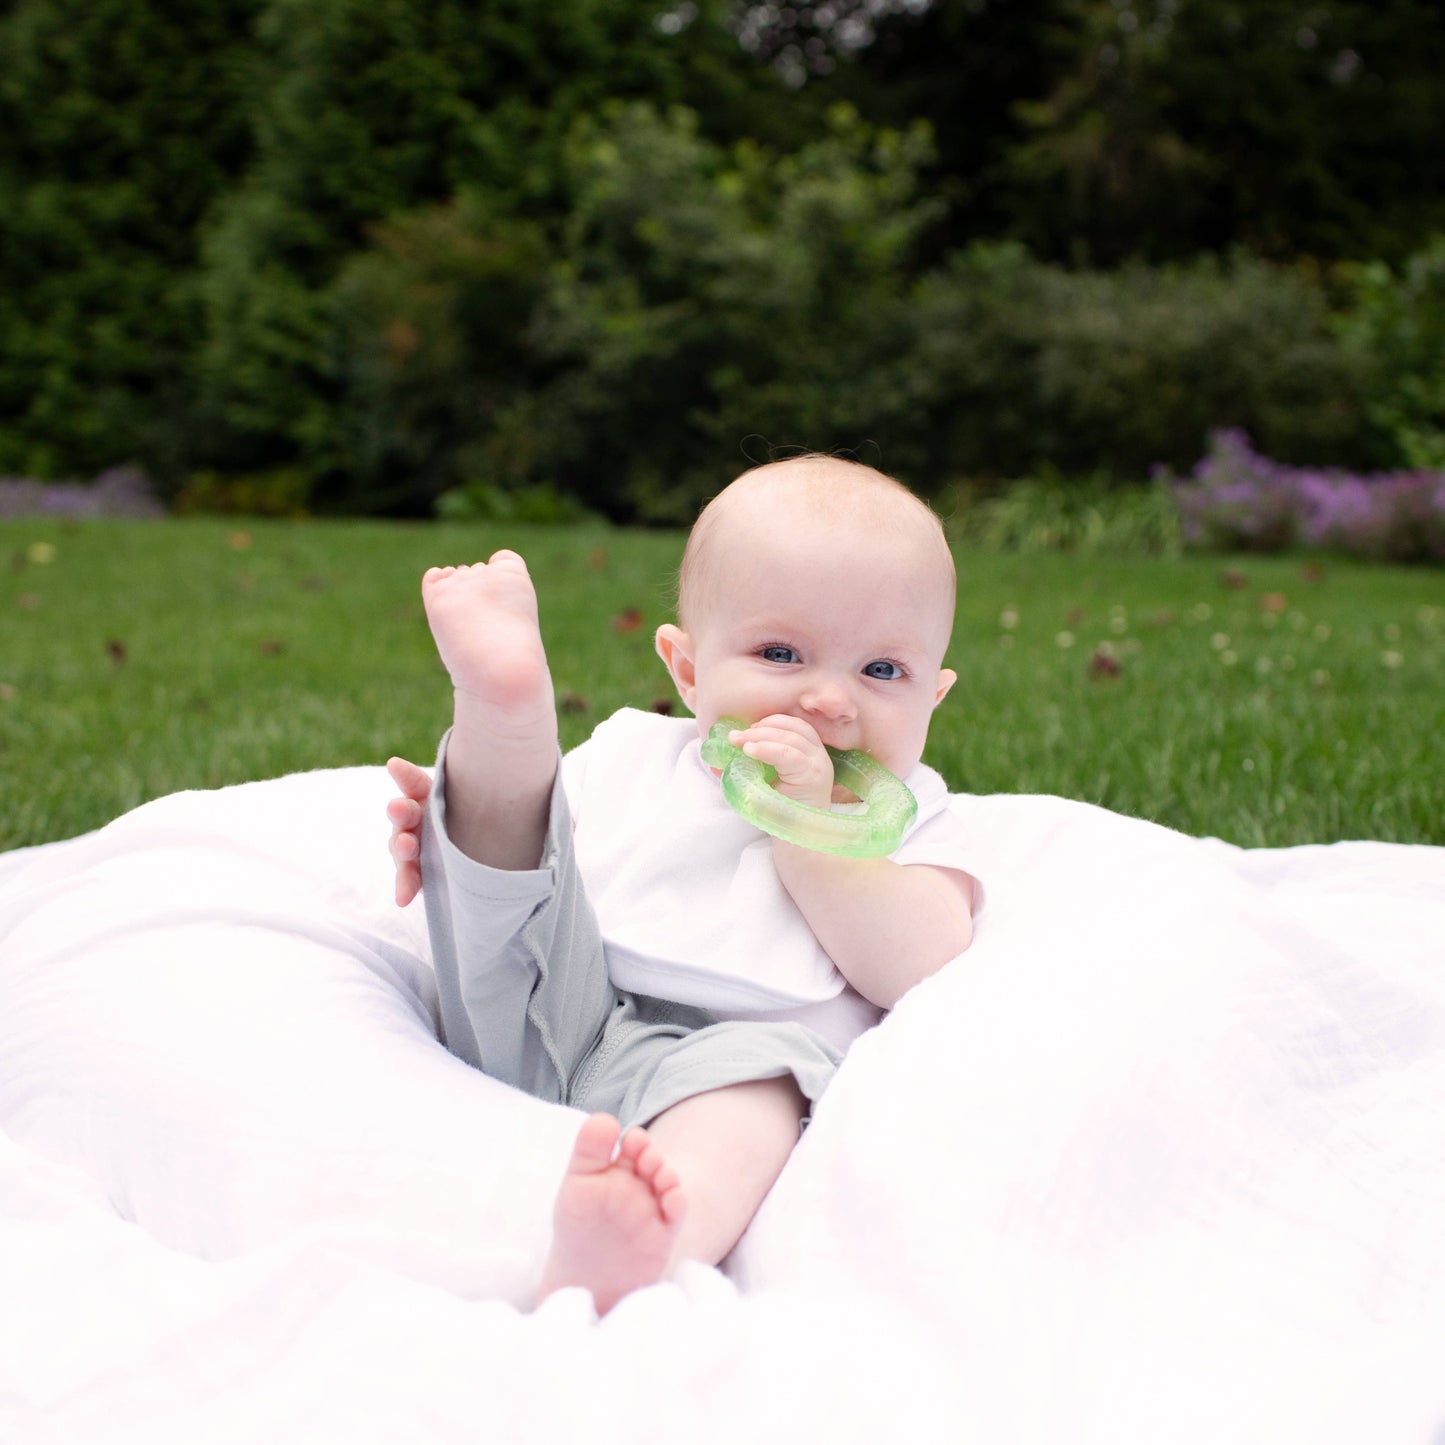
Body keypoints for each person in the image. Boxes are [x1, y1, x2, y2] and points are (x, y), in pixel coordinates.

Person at [385, 456, 980, 1314]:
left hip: (727, 1050)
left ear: (936, 692)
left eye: (881, 671)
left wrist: (808, 825)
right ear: (688, 670)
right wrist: (463, 839)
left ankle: (647, 1232)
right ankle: (501, 711)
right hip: (568, 995)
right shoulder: (636, 755)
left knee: (757, 1099)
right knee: (516, 841)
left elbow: (923, 963)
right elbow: (542, 862)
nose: (826, 699)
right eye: (781, 653)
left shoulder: (909, 816)